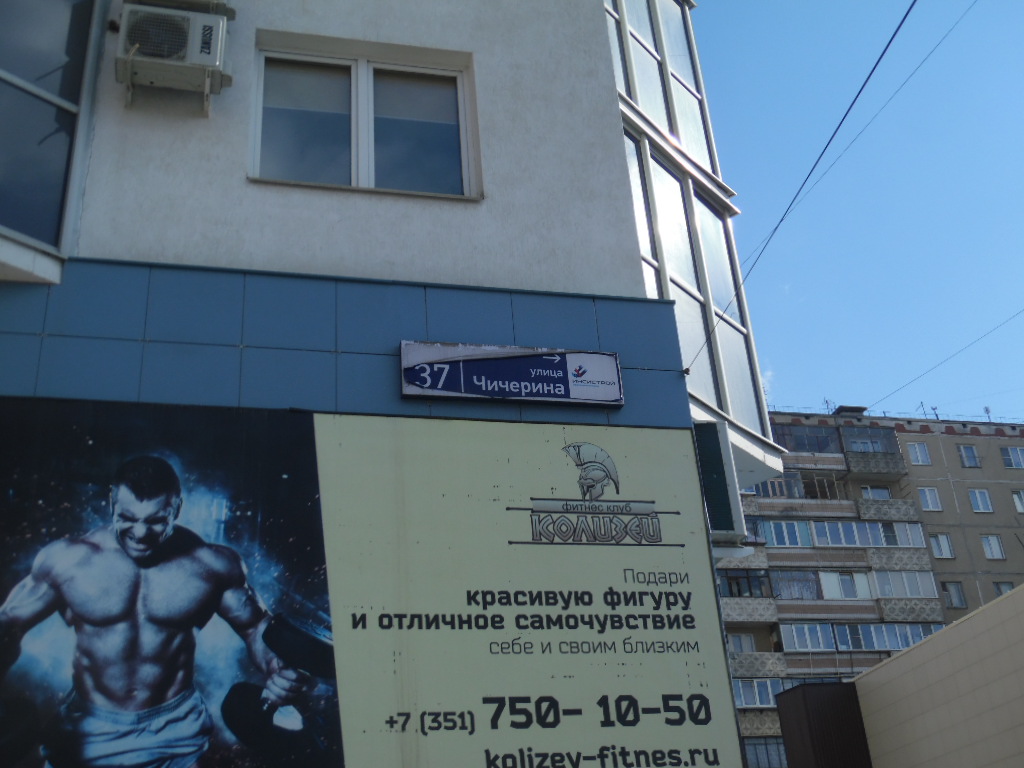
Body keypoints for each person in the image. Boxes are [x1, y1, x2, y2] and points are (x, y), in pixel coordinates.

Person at [0, 455, 309, 768]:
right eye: (127, 518)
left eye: (156, 520)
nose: (140, 532)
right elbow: (9, 622)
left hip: (175, 732)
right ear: (112, 503)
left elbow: (256, 627)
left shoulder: (213, 565)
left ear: (177, 508)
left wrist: (276, 666)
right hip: (87, 732)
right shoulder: (67, 562)